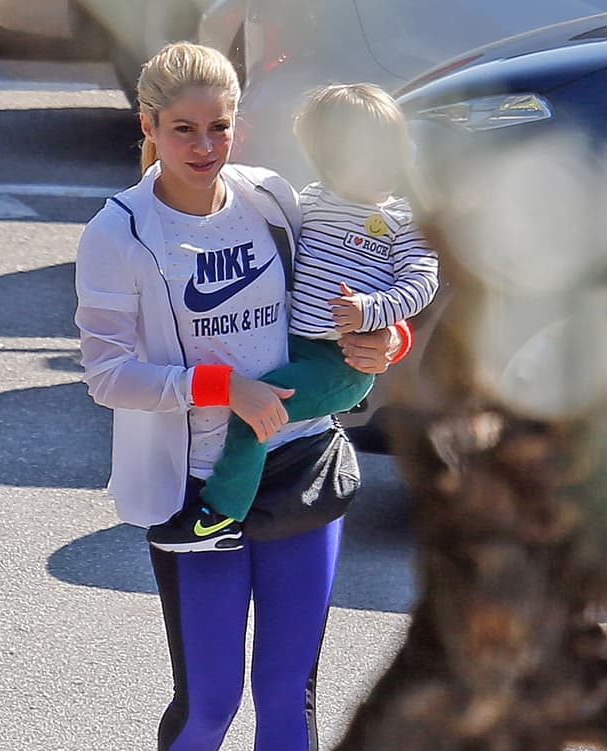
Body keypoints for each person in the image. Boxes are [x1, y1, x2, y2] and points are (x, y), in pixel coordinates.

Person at [73, 42, 405, 751]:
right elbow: (106, 374)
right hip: (196, 488)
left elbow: (357, 302)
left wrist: (385, 341)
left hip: (300, 464)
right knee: (213, 700)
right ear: (148, 126)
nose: (204, 146)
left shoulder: (273, 201)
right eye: (183, 129)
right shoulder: (119, 232)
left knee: (287, 692)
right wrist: (225, 388)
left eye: (219, 127)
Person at [146, 82, 438, 552]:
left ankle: (219, 514)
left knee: (256, 413)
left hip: (338, 364)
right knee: (259, 408)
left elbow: (422, 284)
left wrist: (375, 316)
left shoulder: (403, 220)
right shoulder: (311, 201)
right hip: (295, 346)